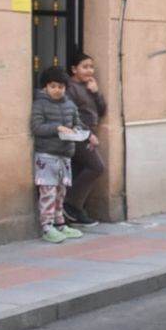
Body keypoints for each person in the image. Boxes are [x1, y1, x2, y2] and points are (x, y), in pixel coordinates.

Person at [31, 66, 86, 244]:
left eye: (61, 87)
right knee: (48, 192)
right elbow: (37, 127)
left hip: (65, 155)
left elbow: (78, 123)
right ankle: (47, 226)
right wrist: (57, 128)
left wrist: (78, 131)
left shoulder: (70, 105)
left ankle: (60, 222)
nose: (57, 90)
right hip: (47, 155)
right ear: (45, 87)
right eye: (53, 86)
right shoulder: (40, 104)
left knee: (61, 192)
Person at [63, 50, 107, 227]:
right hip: (79, 136)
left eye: (91, 67)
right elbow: (71, 115)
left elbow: (102, 110)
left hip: (89, 135)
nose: (89, 71)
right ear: (74, 69)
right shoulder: (70, 89)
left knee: (80, 171)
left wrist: (96, 93)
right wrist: (86, 134)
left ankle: (74, 210)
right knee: (97, 167)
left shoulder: (89, 86)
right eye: (85, 67)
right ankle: (71, 205)